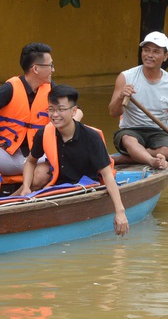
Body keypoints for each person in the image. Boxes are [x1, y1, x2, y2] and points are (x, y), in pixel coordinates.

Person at [23, 85, 129, 235]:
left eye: (60, 109)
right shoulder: (44, 133)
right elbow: (30, 161)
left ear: (74, 111)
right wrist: (26, 186)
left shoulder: (92, 137)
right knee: (38, 175)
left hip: (85, 187)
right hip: (57, 188)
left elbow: (107, 175)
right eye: (51, 109)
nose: (55, 115)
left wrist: (120, 211)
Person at [0, 42, 80, 187]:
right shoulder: (10, 88)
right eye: (50, 65)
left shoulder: (51, 87)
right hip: (5, 155)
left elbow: (77, 111)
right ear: (35, 69)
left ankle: (24, 196)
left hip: (36, 156)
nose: (53, 69)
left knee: (52, 166)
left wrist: (66, 127)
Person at [108, 31, 168, 168]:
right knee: (129, 141)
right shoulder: (126, 77)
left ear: (165, 56)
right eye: (146, 50)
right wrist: (121, 96)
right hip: (130, 130)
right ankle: (151, 160)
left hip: (158, 132)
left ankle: (126, 158)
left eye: (156, 52)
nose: (149, 55)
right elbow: (113, 112)